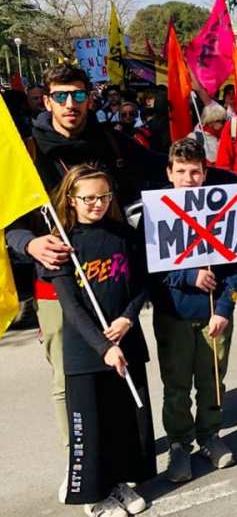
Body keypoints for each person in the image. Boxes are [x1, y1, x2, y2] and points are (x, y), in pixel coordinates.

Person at [5, 65, 169, 503]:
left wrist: (230, 177)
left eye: (78, 96)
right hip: (58, 283)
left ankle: (117, 463)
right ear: (46, 100)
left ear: (89, 98)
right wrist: (30, 244)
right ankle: (81, 462)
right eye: (61, 96)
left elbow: (165, 167)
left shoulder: (110, 140)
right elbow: (10, 222)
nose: (70, 105)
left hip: (112, 278)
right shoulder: (28, 151)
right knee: (71, 380)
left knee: (116, 376)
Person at [44, 165, 155, 517]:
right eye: (89, 198)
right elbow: (72, 307)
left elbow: (142, 284)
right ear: (71, 200)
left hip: (126, 341)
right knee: (91, 426)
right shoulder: (62, 245)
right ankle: (94, 496)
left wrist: (127, 318)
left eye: (104, 196)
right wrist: (104, 347)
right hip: (87, 353)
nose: (98, 204)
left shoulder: (124, 235)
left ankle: (118, 480)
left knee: (123, 421)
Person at [149, 138, 237, 483]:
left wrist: (224, 308)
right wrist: (190, 275)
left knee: (212, 380)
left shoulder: (224, 208)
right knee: (176, 386)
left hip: (214, 315)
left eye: (195, 172)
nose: (188, 179)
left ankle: (210, 435)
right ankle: (179, 444)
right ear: (169, 173)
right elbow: (151, 270)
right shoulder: (156, 211)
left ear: (205, 173)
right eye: (181, 171)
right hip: (173, 315)